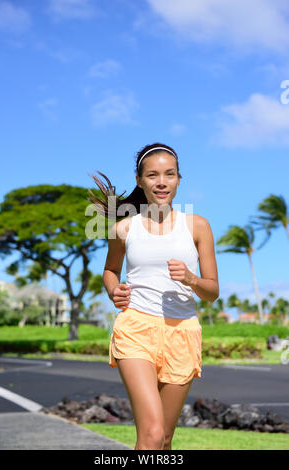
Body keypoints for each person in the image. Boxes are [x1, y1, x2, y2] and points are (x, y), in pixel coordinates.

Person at [87, 143, 219, 450]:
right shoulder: (123, 228)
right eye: (153, 175)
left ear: (178, 179)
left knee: (166, 440)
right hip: (136, 330)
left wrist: (191, 278)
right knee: (152, 435)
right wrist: (113, 290)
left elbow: (212, 291)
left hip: (182, 333)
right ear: (139, 180)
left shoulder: (198, 226)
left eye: (169, 174)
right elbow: (110, 270)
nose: (162, 182)